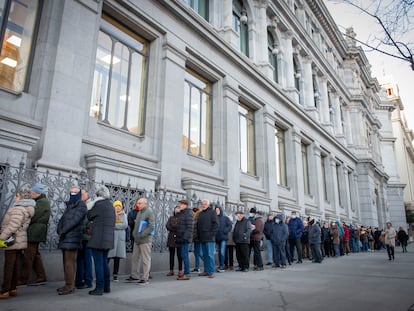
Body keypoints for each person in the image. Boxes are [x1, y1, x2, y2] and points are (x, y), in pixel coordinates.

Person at [0, 188, 35, 299]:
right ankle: (13, 289)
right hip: (19, 240)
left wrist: (1, 237)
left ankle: (5, 290)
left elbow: (13, 226)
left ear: (21, 197)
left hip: (12, 240)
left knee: (9, 266)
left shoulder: (18, 209)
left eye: (17, 195)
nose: (15, 197)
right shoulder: (28, 209)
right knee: (14, 265)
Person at [56, 186, 87, 295]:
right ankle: (67, 284)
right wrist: (59, 229)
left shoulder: (81, 205)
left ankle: (70, 286)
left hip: (73, 237)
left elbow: (75, 220)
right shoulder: (69, 205)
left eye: (75, 192)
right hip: (65, 237)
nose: (72, 194)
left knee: (70, 263)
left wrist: (63, 230)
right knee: (66, 263)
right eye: (71, 192)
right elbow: (63, 219)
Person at [19, 183, 51, 286]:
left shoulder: (42, 202)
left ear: (37, 193)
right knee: (35, 255)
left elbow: (33, 216)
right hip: (35, 231)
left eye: (32, 192)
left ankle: (23, 279)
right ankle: (41, 277)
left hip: (35, 232)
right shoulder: (40, 201)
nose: (31, 194)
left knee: (28, 256)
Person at [87, 185, 115, 295]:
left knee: (99, 264)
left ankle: (99, 288)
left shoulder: (98, 205)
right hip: (108, 239)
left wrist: (91, 204)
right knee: (104, 263)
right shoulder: (110, 205)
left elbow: (89, 215)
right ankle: (107, 286)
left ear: (98, 195)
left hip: (98, 239)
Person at [127, 197, 155, 285]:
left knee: (145, 259)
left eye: (140, 203)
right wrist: (135, 235)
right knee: (135, 258)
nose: (137, 204)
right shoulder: (139, 212)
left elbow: (151, 226)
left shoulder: (149, 212)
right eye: (137, 203)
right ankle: (135, 275)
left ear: (145, 204)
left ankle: (145, 277)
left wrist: (143, 234)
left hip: (145, 240)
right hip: (137, 239)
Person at [75, 189, 93, 289]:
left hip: (87, 236)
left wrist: (85, 228)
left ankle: (88, 280)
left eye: (82, 194)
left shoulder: (91, 205)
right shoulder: (79, 204)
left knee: (87, 260)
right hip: (80, 236)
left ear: (87, 194)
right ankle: (79, 280)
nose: (81, 196)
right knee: (80, 259)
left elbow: (90, 221)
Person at [197, 199, 219, 278]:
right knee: (204, 255)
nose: (203, 205)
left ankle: (211, 271)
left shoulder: (212, 212)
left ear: (208, 204)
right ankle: (206, 270)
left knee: (210, 255)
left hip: (209, 238)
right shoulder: (200, 214)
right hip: (202, 238)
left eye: (205, 204)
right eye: (202, 204)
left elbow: (216, 224)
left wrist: (212, 234)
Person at [108, 200, 128, 282]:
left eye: (119, 206)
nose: (118, 207)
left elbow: (125, 225)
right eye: (116, 206)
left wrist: (115, 226)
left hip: (120, 239)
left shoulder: (124, 215)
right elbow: (110, 224)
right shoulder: (111, 214)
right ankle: (105, 274)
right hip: (112, 238)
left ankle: (115, 275)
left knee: (117, 258)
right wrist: (118, 226)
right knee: (108, 256)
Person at [176, 199, 194, 280]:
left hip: (185, 239)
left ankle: (187, 273)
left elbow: (190, 227)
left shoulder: (188, 213)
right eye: (179, 204)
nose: (179, 205)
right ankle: (186, 272)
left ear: (185, 205)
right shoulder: (181, 213)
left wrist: (184, 237)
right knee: (183, 255)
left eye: (181, 204)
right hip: (181, 238)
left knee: (185, 255)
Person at [165, 205, 182, 277]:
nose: (177, 210)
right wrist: (175, 228)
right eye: (176, 209)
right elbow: (168, 226)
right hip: (171, 237)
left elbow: (181, 227)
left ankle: (180, 270)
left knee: (179, 255)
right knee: (171, 255)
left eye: (178, 209)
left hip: (179, 237)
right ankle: (171, 270)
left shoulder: (182, 218)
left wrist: (175, 227)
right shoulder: (171, 218)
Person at [215, 205, 232, 273]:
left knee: (222, 252)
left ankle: (222, 266)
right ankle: (221, 265)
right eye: (216, 211)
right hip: (217, 238)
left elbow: (230, 226)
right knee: (219, 253)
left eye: (218, 210)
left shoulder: (225, 218)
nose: (217, 212)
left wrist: (225, 231)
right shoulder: (215, 218)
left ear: (220, 211)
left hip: (223, 238)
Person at [192, 206, 203, 272]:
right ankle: (197, 267)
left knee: (200, 253)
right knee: (196, 253)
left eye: (193, 212)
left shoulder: (198, 219)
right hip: (195, 238)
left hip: (199, 238)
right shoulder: (194, 219)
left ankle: (209, 265)